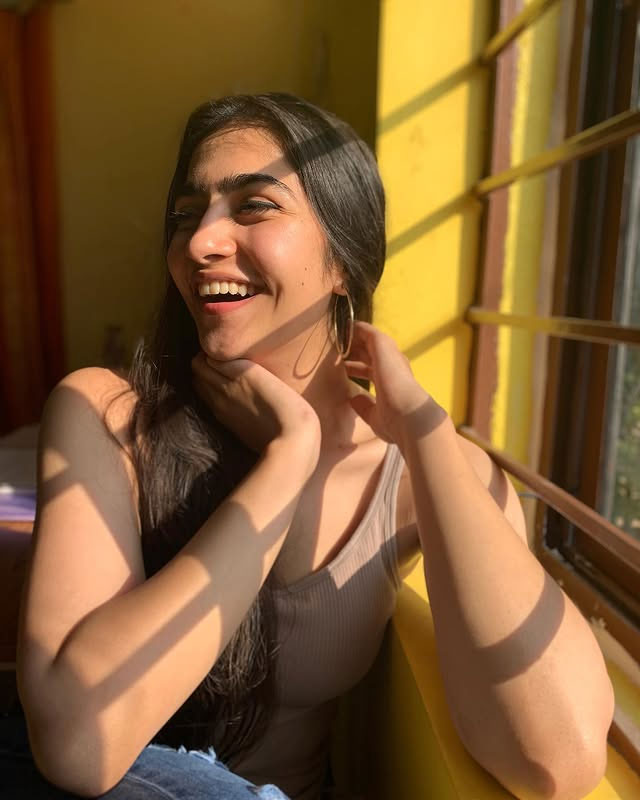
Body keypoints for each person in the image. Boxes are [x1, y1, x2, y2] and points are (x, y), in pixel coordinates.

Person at [12, 93, 613, 800]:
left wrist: (423, 428)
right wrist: (287, 460)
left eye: (254, 206)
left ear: (342, 261)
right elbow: (79, 745)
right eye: (186, 214)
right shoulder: (107, 415)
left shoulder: (411, 470)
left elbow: (558, 762)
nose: (199, 243)